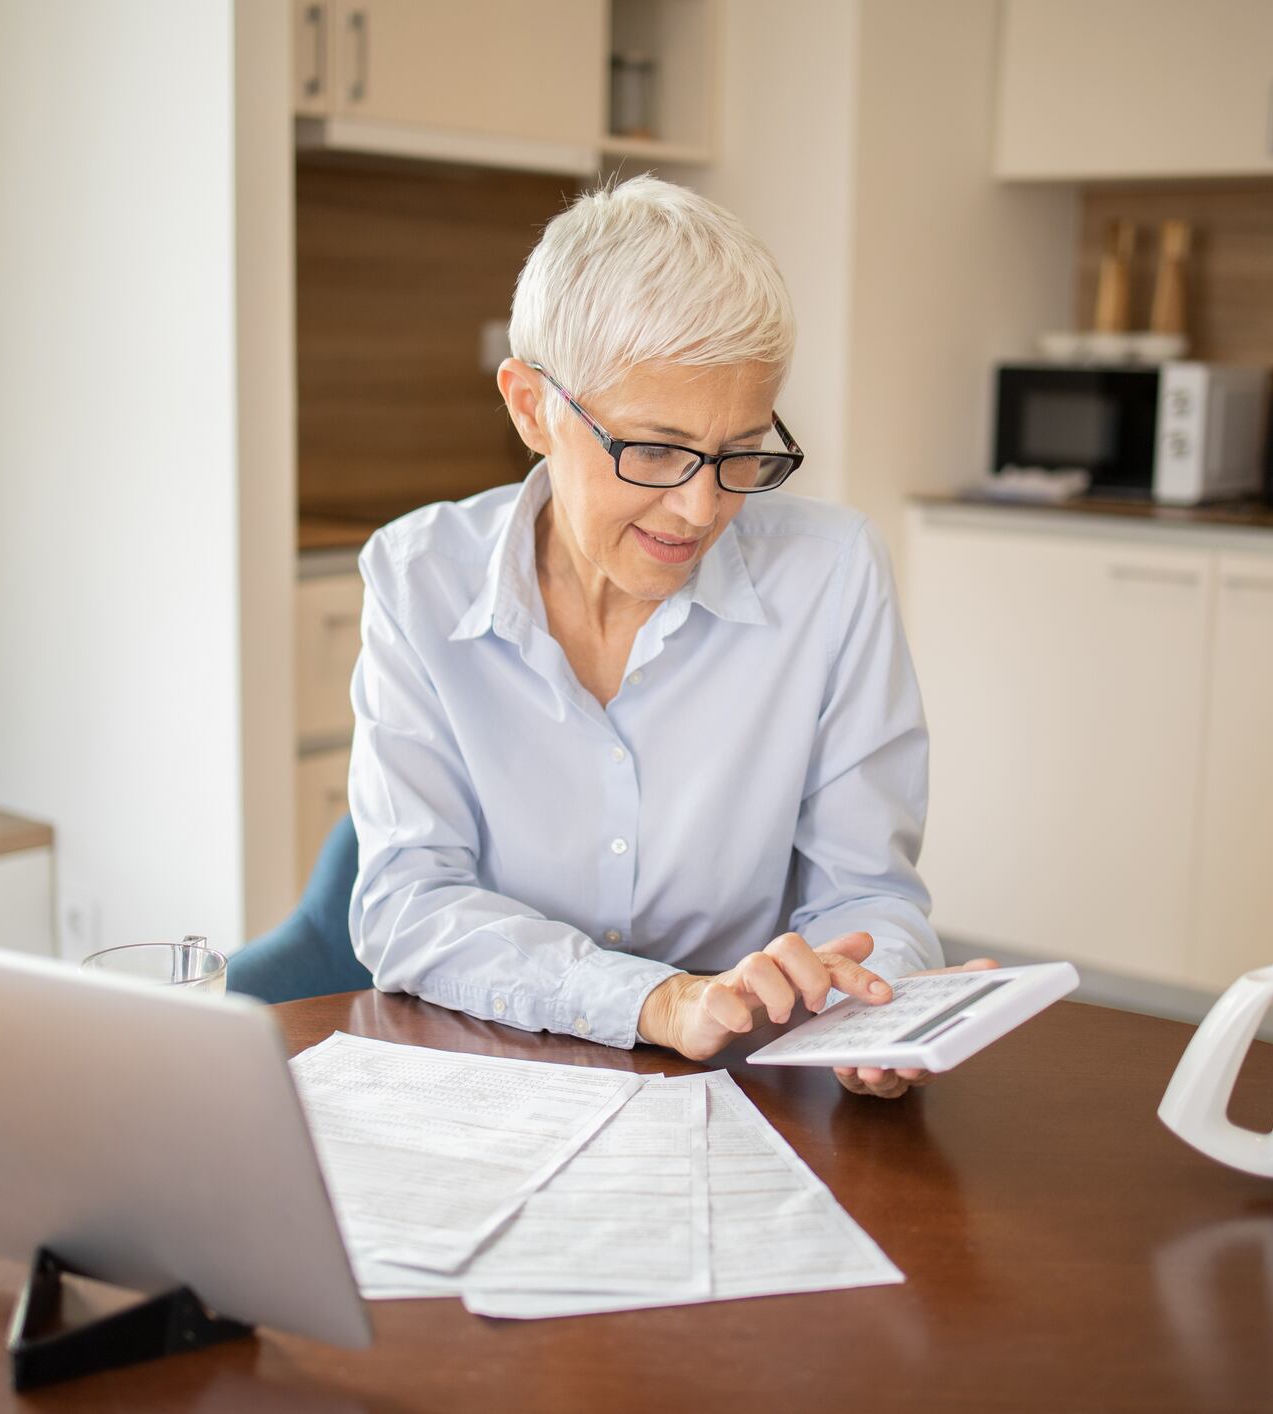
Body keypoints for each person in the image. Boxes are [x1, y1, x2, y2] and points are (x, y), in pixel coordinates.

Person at [348, 175, 993, 1099]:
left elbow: (866, 895)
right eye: (654, 449)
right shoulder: (416, 577)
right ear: (531, 407)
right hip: (494, 1081)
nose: (701, 508)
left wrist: (873, 1005)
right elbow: (407, 905)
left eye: (740, 451)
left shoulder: (831, 572)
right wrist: (658, 1003)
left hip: (747, 1090)